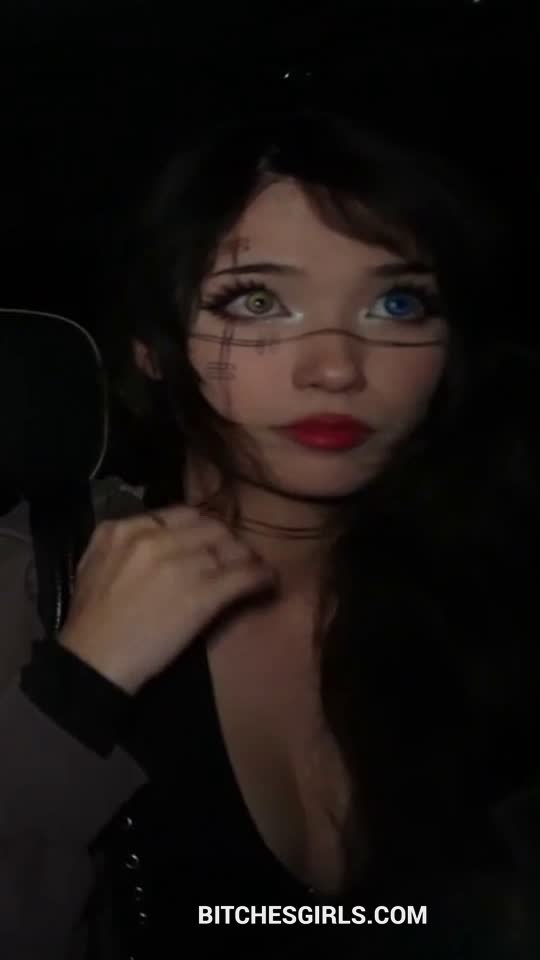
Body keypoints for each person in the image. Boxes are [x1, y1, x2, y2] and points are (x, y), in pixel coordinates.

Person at [1, 108, 539, 959]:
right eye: (257, 301)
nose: (336, 367)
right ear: (151, 348)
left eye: (397, 303)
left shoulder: (493, 584)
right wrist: (75, 694)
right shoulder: (29, 583)